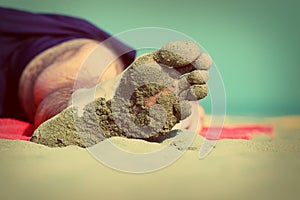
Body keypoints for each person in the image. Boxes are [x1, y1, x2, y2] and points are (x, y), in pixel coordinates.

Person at [0, 7, 208, 145]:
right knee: (81, 66)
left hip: (50, 45)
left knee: (81, 65)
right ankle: (82, 101)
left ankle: (78, 101)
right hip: (64, 52)